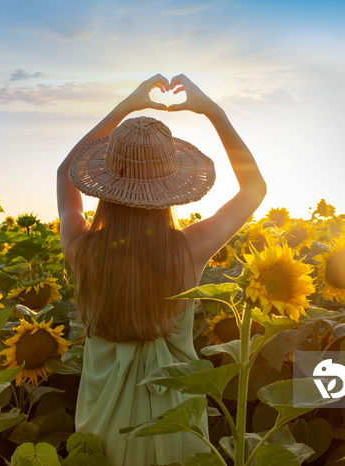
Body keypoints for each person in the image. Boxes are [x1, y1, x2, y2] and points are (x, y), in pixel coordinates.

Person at [56, 74, 266, 465]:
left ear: (104, 185)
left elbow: (63, 173)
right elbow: (254, 189)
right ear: (170, 185)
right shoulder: (189, 248)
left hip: (102, 428)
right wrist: (212, 111)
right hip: (176, 422)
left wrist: (127, 106)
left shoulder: (82, 249)